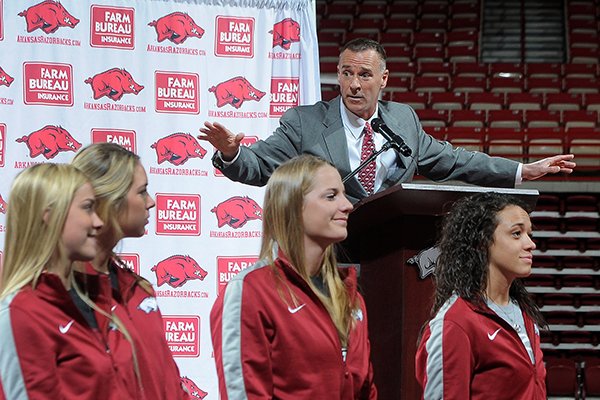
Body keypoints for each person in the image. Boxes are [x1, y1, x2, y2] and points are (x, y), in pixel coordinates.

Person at [199, 38, 575, 204]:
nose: (353, 84)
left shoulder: (403, 120)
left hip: (392, 251)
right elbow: (260, 166)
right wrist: (232, 154)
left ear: (383, 79)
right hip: (330, 256)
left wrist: (523, 170)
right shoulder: (305, 122)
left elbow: (454, 161)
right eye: (346, 73)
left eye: (364, 75)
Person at [210, 155, 377, 399]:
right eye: (331, 196)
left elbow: (366, 390)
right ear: (292, 206)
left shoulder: (351, 296)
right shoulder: (251, 292)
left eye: (344, 194)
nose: (348, 205)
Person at [0, 163, 144, 399]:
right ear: (50, 216)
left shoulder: (95, 299)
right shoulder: (22, 312)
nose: (98, 222)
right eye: (87, 208)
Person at [72, 142, 189, 400]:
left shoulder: (139, 290)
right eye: (142, 192)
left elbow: (169, 381)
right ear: (108, 201)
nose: (151, 202)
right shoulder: (58, 295)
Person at [415, 192, 547, 399]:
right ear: (482, 242)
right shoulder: (455, 323)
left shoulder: (524, 313)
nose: (530, 244)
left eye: (529, 234)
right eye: (516, 234)